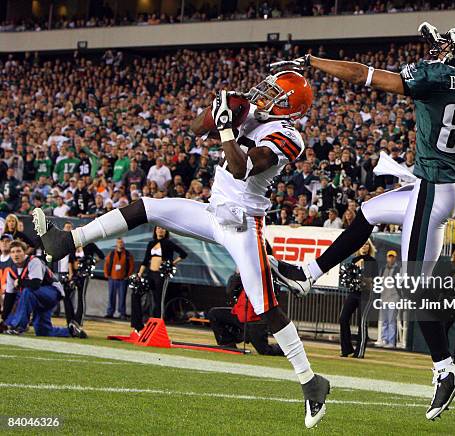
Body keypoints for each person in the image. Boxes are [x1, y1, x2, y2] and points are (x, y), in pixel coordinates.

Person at [32, 70, 330, 428]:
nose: (262, 94)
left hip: (243, 225)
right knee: (146, 207)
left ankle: (311, 382)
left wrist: (225, 128)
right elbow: (194, 129)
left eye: (273, 93)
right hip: (213, 213)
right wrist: (219, 110)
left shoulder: (288, 136)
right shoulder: (252, 111)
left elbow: (239, 168)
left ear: (289, 107)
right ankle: (67, 241)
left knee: (266, 307)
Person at [270, 22, 455, 420]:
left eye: (451, 47)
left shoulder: (436, 77)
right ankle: (308, 273)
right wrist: (444, 50)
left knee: (414, 284)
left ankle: (446, 368)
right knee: (368, 213)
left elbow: (364, 75)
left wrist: (311, 61)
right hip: (453, 184)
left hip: (433, 189)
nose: (443, 50)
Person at [1, 240, 86, 338]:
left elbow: (35, 284)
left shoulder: (34, 261)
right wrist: (4, 319)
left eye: (18, 251)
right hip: (37, 297)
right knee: (43, 331)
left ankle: (18, 326)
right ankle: (72, 332)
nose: (16, 254)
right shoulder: (11, 270)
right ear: (10, 254)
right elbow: (9, 297)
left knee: (26, 291)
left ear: (25, 252)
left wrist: (20, 282)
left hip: (52, 292)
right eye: (13, 252)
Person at [208, 271, 283, 356]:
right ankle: (228, 344)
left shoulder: (268, 278)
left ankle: (284, 349)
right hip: (239, 315)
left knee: (265, 351)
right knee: (214, 314)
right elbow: (230, 290)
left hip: (255, 321)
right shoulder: (244, 274)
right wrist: (237, 275)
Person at [134, 226, 187, 329]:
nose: (160, 230)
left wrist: (171, 264)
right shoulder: (151, 243)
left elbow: (183, 254)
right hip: (150, 274)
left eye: (163, 228)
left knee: (158, 300)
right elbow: (145, 260)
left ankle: (156, 324)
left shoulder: (168, 243)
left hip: (160, 275)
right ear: (155, 230)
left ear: (166, 231)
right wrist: (139, 274)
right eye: (158, 228)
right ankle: (137, 324)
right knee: (137, 293)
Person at [339, 240, 377, 358]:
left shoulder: (372, 261)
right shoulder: (354, 261)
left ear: (369, 247)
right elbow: (348, 278)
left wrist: (362, 269)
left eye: (366, 244)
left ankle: (359, 352)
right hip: (353, 292)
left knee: (362, 321)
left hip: (366, 294)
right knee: (343, 318)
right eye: (362, 244)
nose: (364, 246)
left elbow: (371, 281)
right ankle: (347, 349)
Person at [104, 237, 134, 320]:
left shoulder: (128, 254)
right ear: (116, 244)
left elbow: (131, 266)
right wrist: (106, 273)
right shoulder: (112, 254)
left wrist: (128, 276)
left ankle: (122, 313)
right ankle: (110, 313)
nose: (120, 244)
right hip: (112, 278)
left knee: (122, 297)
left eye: (121, 242)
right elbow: (106, 263)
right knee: (111, 296)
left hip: (122, 279)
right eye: (118, 242)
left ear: (123, 244)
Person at [377, 249, 401, 348]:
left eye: (392, 257)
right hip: (384, 297)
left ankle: (391, 341)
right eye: (389, 257)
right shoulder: (383, 269)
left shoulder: (398, 269)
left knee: (391, 320)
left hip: (393, 298)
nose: (391, 259)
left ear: (395, 258)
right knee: (384, 320)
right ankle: (384, 339)